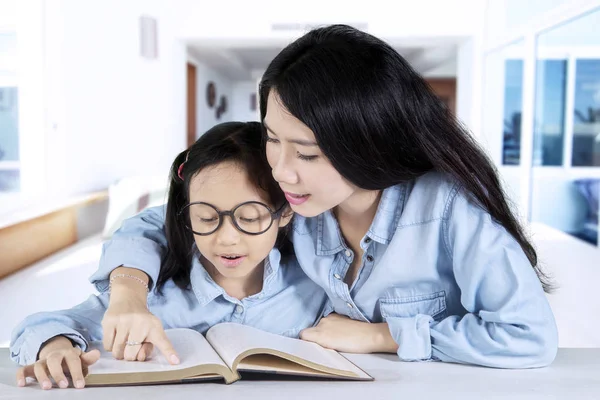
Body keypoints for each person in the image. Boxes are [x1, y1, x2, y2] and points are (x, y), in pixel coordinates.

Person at [90, 24, 558, 369]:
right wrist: (128, 293)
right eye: (273, 138)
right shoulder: (299, 199)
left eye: (308, 153)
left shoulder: (448, 209)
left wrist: (381, 337)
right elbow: (167, 219)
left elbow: (528, 336)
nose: (281, 170)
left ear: (368, 141)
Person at [10, 122, 327, 390]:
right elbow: (40, 325)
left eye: (250, 217)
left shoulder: (314, 286)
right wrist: (55, 347)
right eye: (206, 217)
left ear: (284, 213)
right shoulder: (156, 297)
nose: (227, 238)